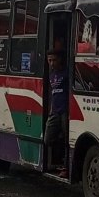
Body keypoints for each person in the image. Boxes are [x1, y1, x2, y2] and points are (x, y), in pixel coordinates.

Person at [44, 49, 68, 177]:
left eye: (54, 60)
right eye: (49, 60)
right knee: (47, 139)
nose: (52, 63)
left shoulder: (67, 73)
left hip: (65, 111)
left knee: (67, 140)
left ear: (60, 60)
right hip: (54, 112)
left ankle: (65, 165)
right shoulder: (51, 74)